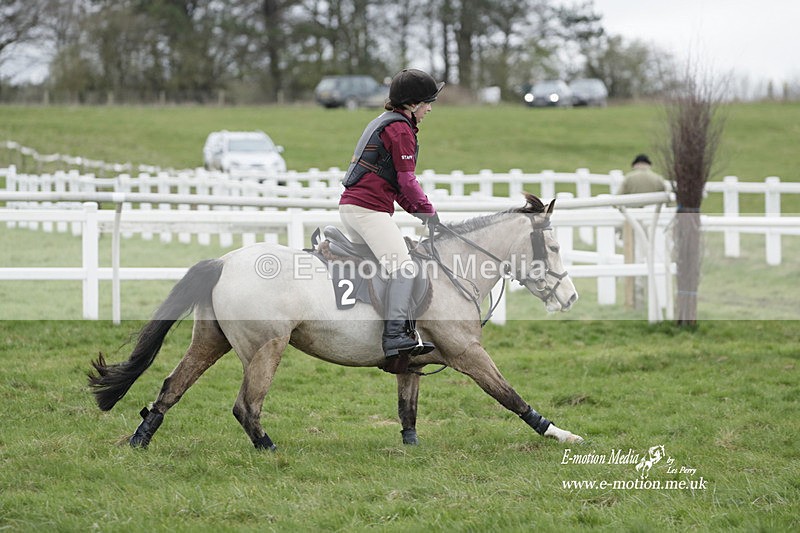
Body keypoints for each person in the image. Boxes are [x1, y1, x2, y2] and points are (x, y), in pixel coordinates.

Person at [339, 68, 444, 367]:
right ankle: (396, 336)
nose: (430, 109)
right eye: (427, 103)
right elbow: (408, 182)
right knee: (404, 268)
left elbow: (396, 186)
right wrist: (429, 211)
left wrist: (422, 215)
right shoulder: (400, 130)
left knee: (387, 265)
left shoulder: (385, 123)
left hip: (354, 208)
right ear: (412, 104)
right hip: (367, 210)